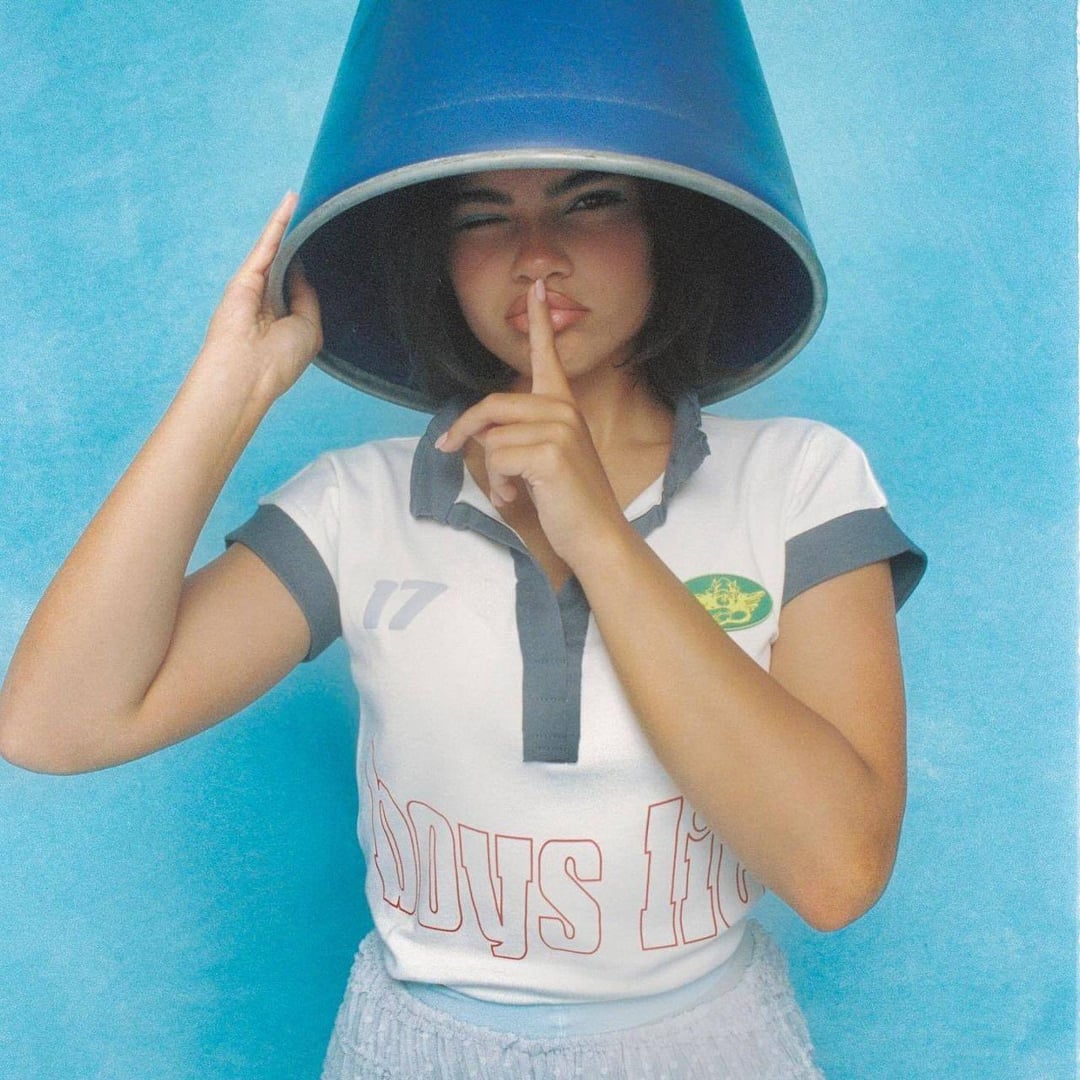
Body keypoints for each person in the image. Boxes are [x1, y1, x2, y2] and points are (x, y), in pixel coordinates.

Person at [0, 167, 923, 1078]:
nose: (536, 257)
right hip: (415, 1053)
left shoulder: (801, 479)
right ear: (437, 261)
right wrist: (231, 389)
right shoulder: (355, 502)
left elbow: (837, 875)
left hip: (708, 1049)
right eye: (483, 217)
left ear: (663, 233)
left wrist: (598, 534)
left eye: (590, 201)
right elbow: (54, 725)